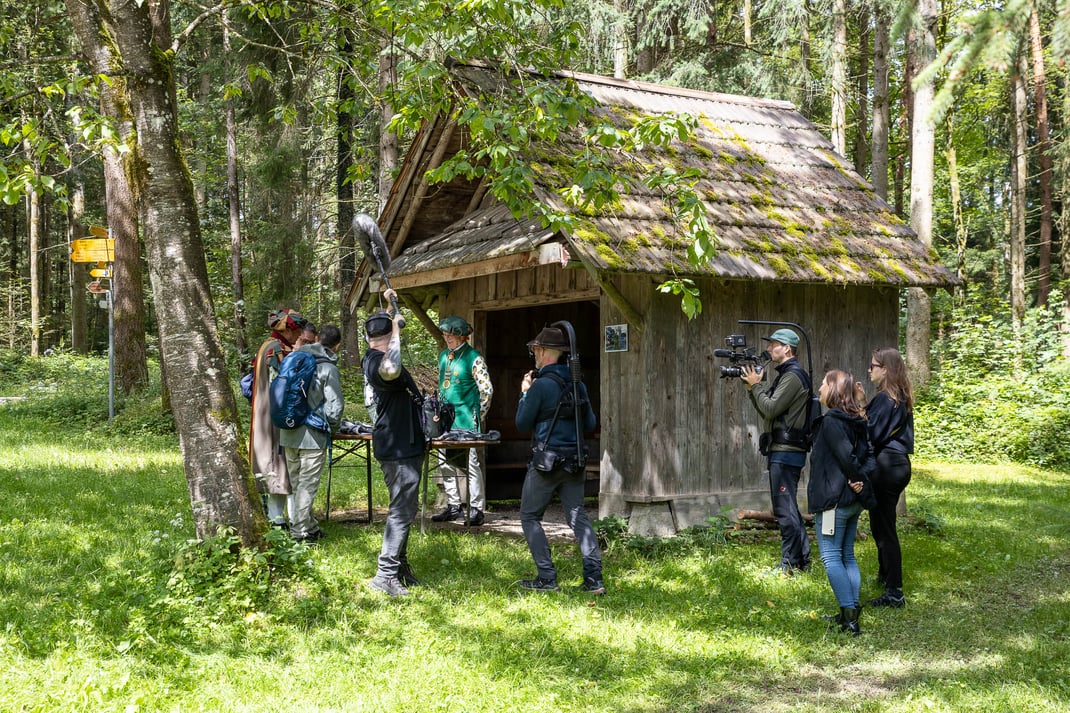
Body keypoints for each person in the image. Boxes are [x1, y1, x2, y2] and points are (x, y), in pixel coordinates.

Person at [515, 325, 604, 595]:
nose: (533, 354)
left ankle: (546, 577)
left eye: (535, 350)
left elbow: (521, 424)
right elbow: (589, 423)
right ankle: (593, 579)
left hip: (546, 463)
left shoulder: (540, 386)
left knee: (529, 516)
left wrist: (525, 393)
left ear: (542, 352)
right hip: (574, 461)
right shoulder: (578, 384)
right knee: (577, 516)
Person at [362, 290, 425, 597]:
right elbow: (392, 368)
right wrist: (397, 329)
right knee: (401, 511)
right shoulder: (378, 363)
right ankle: (385, 574)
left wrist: (390, 306)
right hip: (397, 447)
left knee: (406, 508)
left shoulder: (375, 351)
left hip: (404, 444)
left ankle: (399, 567)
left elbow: (382, 328)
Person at [741, 327, 813, 576]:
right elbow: (767, 409)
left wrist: (756, 387)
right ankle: (802, 560)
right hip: (782, 450)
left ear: (787, 349)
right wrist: (753, 389)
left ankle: (789, 564)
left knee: (783, 509)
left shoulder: (793, 376)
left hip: (787, 451)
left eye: (774, 344)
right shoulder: (785, 375)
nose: (769, 349)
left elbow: (770, 409)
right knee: (788, 506)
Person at [809, 369, 871, 636]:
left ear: (833, 390)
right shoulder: (855, 419)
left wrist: (858, 477)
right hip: (851, 500)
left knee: (831, 555)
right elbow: (868, 453)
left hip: (834, 503)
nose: (820, 388)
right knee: (846, 554)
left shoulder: (833, 422)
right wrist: (861, 482)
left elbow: (847, 457)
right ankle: (850, 610)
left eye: (823, 384)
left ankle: (850, 619)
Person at [857, 347, 914, 609]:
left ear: (886, 369)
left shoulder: (885, 398)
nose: (870, 370)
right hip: (897, 464)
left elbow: (871, 433)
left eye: (873, 366)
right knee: (880, 525)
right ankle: (885, 575)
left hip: (887, 466)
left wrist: (857, 409)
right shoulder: (897, 396)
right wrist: (863, 402)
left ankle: (895, 592)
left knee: (885, 528)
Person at [279, 325, 344, 542]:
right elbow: (335, 407)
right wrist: (332, 429)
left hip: (287, 430)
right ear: (337, 346)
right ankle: (298, 534)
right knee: (307, 486)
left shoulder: (294, 358)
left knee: (297, 483)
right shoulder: (329, 369)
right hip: (313, 435)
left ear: (317, 339)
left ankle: (310, 526)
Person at [430, 316, 494, 526]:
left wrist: (479, 415)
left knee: (471, 463)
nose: (447, 338)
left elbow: (487, 391)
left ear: (461, 336)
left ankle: (476, 509)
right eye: (445, 335)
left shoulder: (474, 358)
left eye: (451, 335)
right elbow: (442, 387)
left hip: (467, 418)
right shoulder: (443, 357)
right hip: (446, 420)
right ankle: (453, 505)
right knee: (444, 462)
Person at [249, 308, 306, 528]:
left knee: (276, 462)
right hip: (274, 414)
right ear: (288, 330)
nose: (299, 334)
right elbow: (282, 383)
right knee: (278, 462)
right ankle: (279, 519)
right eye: (297, 329)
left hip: (265, 411)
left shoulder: (267, 346)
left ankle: (279, 516)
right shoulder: (277, 349)